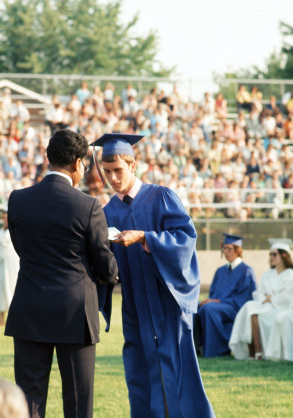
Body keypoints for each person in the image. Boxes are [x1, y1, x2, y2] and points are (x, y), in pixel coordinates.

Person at [90, 133, 216, 418]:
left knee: (179, 368)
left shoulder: (161, 197)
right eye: (107, 172)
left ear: (132, 166)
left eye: (118, 170)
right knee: (140, 371)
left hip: (167, 299)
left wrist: (146, 237)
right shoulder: (107, 212)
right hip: (135, 305)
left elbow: (185, 237)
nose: (113, 178)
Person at [5, 130, 119, 418]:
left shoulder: (17, 200)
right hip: (75, 311)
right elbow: (105, 266)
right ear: (79, 163)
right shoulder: (89, 206)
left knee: (28, 401)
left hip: (29, 307)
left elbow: (22, 249)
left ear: (49, 158)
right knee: (79, 402)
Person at [229, 239, 293, 360]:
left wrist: (271, 298)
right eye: (270, 254)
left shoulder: (290, 274)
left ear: (284, 256)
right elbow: (258, 293)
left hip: (280, 308)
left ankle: (256, 352)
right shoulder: (267, 274)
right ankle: (254, 351)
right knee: (249, 308)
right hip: (266, 306)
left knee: (255, 313)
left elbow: (287, 297)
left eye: (274, 254)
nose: (271, 257)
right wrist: (267, 298)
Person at [195, 234, 256, 357]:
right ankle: (196, 348)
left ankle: (217, 350)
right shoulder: (220, 270)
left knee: (209, 309)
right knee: (194, 307)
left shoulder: (247, 271)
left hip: (235, 308)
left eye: (229, 248)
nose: (225, 251)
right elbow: (212, 294)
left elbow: (243, 299)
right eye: (224, 248)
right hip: (218, 306)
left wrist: (216, 301)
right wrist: (210, 300)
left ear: (237, 250)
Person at [0, 206, 19, 326]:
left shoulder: (16, 228)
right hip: (2, 265)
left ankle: (14, 320)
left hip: (13, 264)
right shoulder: (2, 230)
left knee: (12, 288)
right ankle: (1, 320)